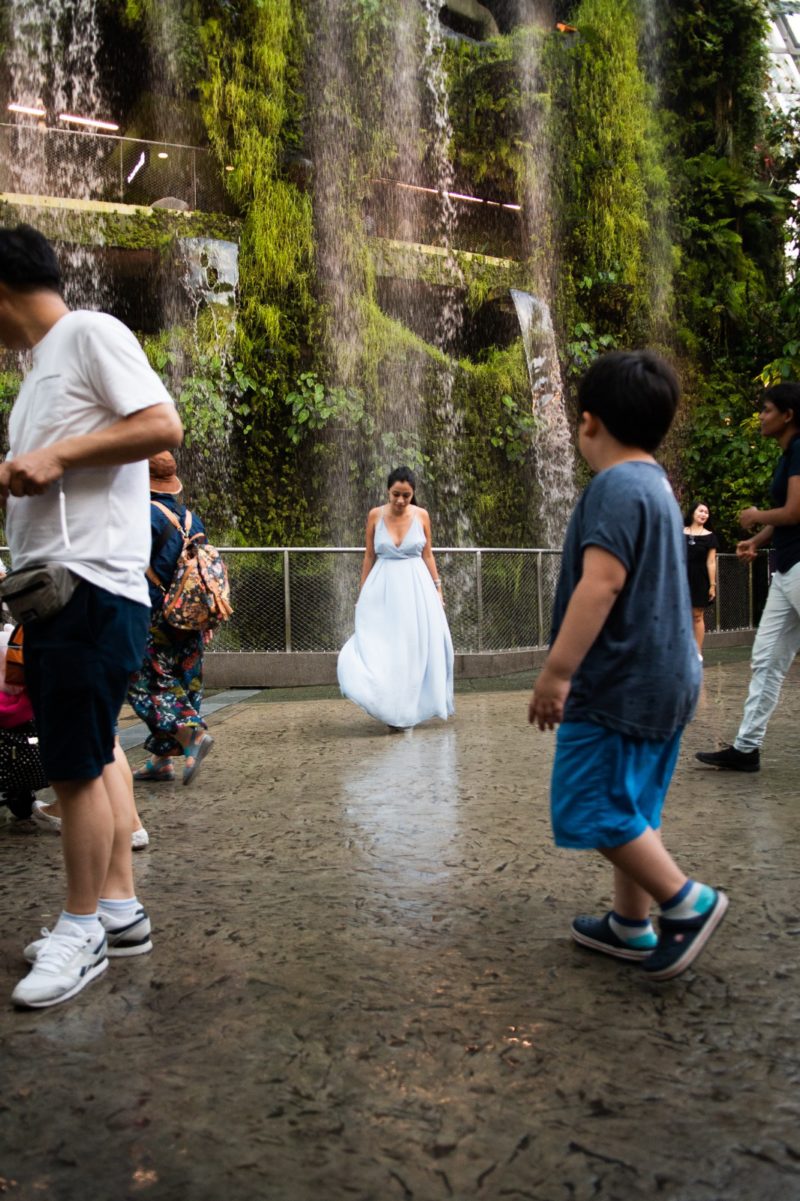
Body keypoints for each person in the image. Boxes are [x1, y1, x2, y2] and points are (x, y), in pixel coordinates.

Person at [0, 224, 183, 1008]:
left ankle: (82, 932)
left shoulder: (88, 332)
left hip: (88, 587)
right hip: (60, 590)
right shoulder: (42, 368)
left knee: (73, 768)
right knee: (93, 751)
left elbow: (161, 424)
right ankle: (118, 908)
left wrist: (58, 456)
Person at [528, 350, 727, 982]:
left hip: (619, 683)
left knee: (589, 807)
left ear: (588, 424)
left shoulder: (613, 488)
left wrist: (557, 673)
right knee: (633, 806)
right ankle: (629, 924)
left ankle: (686, 904)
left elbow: (602, 584)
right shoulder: (658, 488)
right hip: (669, 679)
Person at [696, 383, 800, 773]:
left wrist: (756, 515)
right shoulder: (787, 456)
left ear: (788, 414)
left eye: (767, 409)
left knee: (767, 659)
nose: (761, 415)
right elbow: (787, 519)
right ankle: (746, 748)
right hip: (787, 568)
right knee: (766, 659)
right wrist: (756, 539)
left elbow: (793, 511)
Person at [337, 466, 454, 730]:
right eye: (396, 495)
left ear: (413, 494)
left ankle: (407, 710)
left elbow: (428, 555)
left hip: (416, 588)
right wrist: (362, 591)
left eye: (406, 495)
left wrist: (437, 587)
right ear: (388, 492)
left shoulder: (422, 515)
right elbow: (369, 556)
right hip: (383, 588)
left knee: (412, 647)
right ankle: (387, 704)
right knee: (384, 646)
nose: (401, 501)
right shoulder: (375, 515)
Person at [127, 452, 214, 785]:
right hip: (190, 617)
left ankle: (191, 736)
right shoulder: (193, 519)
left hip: (155, 617)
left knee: (142, 683)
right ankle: (161, 760)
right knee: (184, 680)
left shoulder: (142, 516)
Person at [683, 501, 718, 656]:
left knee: (697, 616)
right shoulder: (679, 532)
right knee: (679, 615)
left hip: (700, 579)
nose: (704, 514)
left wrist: (712, 585)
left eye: (706, 512)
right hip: (680, 577)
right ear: (692, 512)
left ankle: (697, 653)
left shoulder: (710, 537)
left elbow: (710, 562)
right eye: (701, 511)